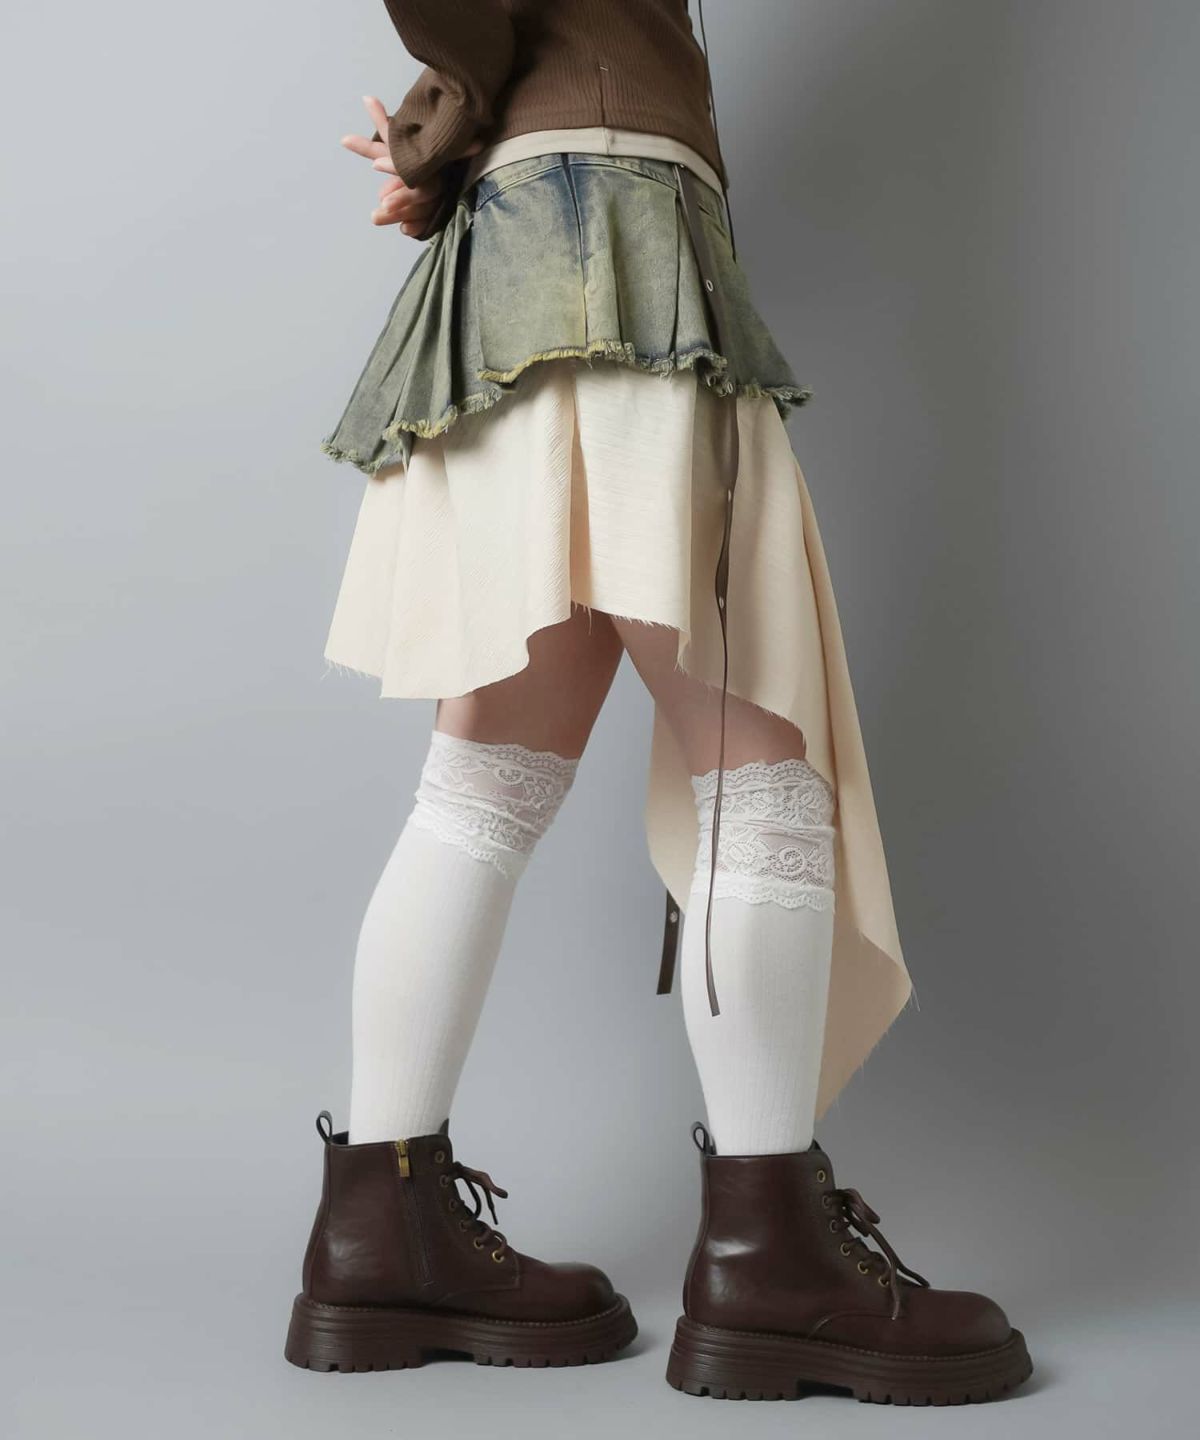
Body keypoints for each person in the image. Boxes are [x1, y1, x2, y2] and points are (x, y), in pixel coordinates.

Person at [284, 0, 1032, 1404]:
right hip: (621, 242)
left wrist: (442, 131)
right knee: (760, 783)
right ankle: (771, 1270)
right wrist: (442, 112)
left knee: (481, 791)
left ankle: (381, 1238)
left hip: (516, 263)